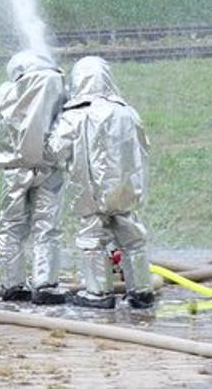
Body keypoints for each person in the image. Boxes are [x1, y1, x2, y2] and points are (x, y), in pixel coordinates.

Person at [47, 56, 154, 310]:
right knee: (133, 237)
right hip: (125, 189)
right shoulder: (127, 112)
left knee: (92, 238)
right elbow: (144, 145)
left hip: (90, 190)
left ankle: (99, 293)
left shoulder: (74, 116)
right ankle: (141, 290)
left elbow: (55, 150)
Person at [0, 49, 68, 304]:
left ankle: (13, 284)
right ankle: (45, 285)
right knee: (47, 227)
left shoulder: (8, 89)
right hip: (49, 168)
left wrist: (9, 125)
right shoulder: (60, 86)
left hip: (15, 169)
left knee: (12, 226)